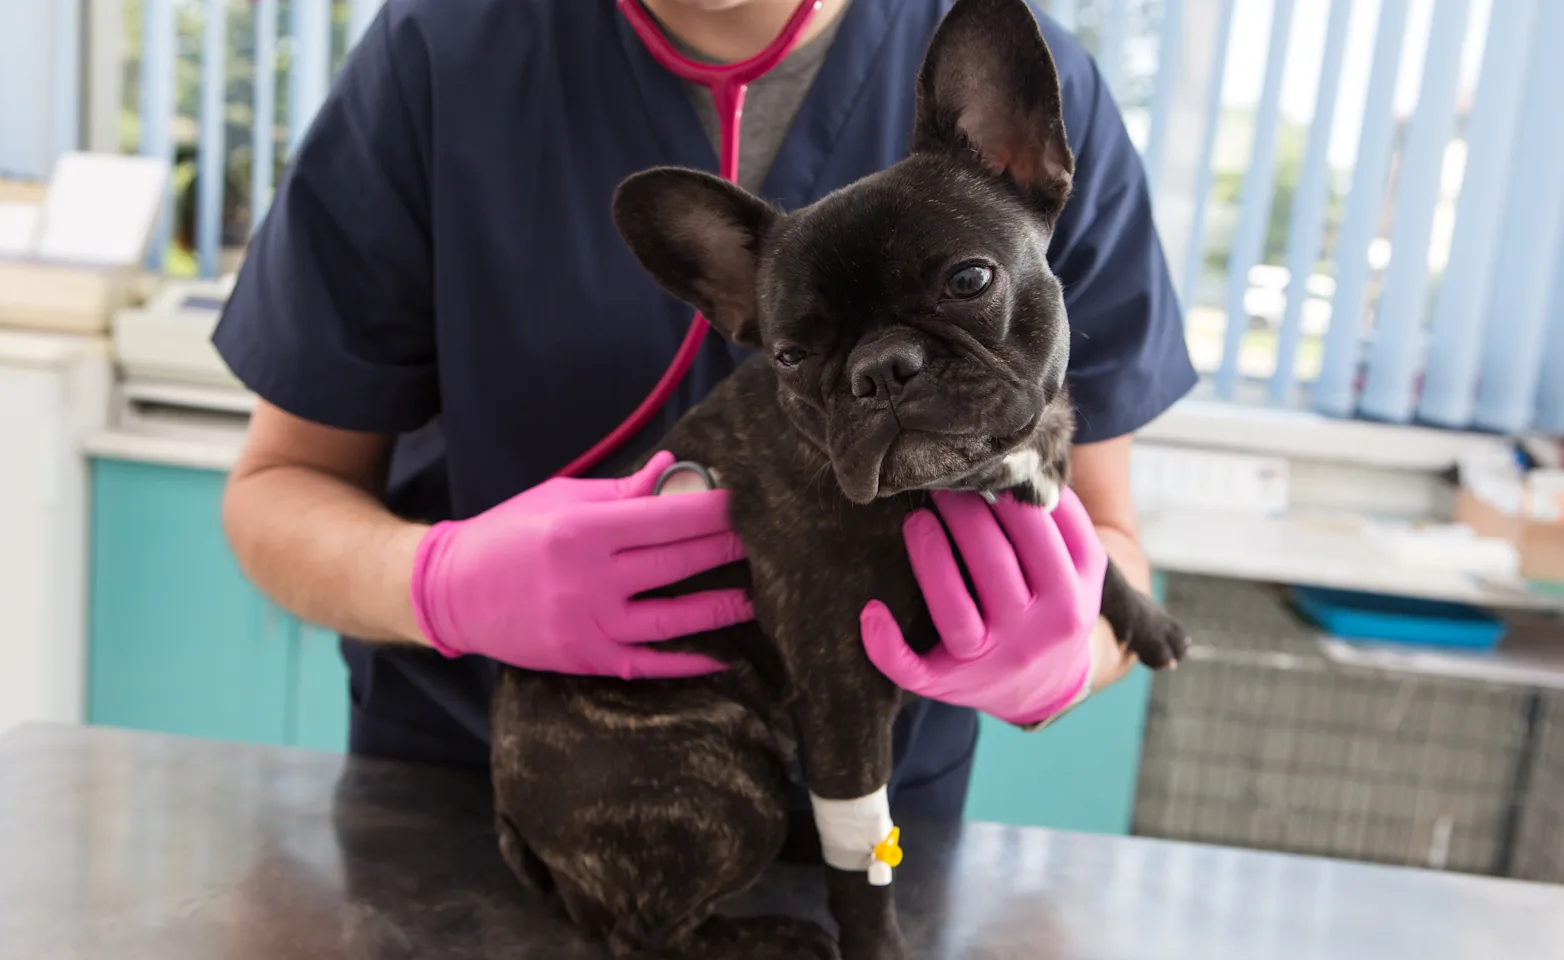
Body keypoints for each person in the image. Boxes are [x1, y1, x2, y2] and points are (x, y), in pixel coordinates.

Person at [212, 0, 1196, 837]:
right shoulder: (446, 48)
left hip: (868, 811)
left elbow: (1107, 533)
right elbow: (277, 490)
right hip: (488, 795)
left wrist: (1065, 656)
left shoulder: (1002, 75)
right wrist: (438, 584)